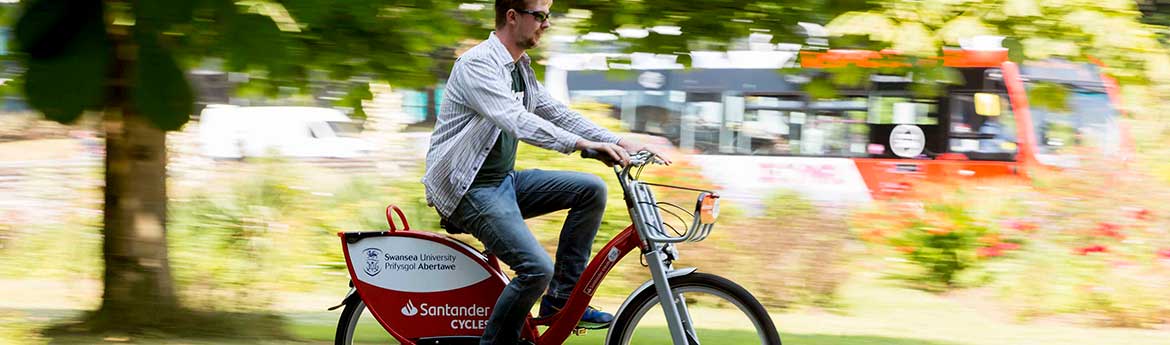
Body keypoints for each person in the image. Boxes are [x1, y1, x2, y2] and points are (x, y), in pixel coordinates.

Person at [422, 1, 670, 344]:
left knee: (591, 190)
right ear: (512, 16)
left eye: (547, 15)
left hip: (501, 183)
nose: (547, 24)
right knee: (536, 269)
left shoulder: (519, 68)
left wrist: (618, 141)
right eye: (539, 15)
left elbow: (555, 112)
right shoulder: (477, 65)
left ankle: (562, 300)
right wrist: (582, 145)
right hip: (468, 190)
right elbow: (516, 120)